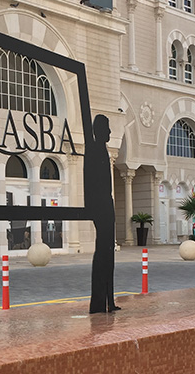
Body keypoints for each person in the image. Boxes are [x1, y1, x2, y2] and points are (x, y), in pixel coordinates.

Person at [85, 115, 119, 313]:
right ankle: (99, 302)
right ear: (99, 130)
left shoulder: (101, 150)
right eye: (107, 128)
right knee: (103, 254)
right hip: (102, 205)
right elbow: (91, 182)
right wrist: (94, 206)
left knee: (108, 253)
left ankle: (108, 301)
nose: (110, 132)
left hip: (106, 204)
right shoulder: (94, 150)